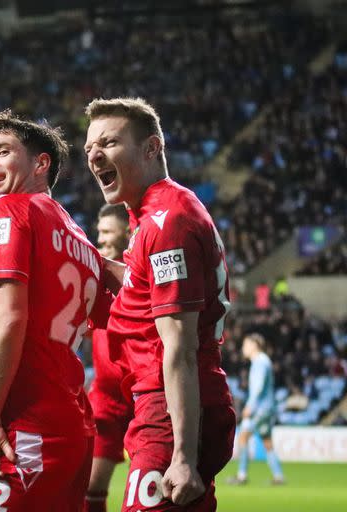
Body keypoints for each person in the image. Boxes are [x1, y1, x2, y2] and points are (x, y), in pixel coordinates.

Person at [84, 97, 235, 511]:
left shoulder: (168, 222)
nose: (95, 155)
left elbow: (180, 347)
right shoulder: (155, 213)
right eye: (89, 148)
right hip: (165, 401)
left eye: (109, 142)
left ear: (151, 148)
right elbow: (137, 282)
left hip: (171, 409)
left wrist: (182, 456)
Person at [0, 110, 108, 511]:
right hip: (74, 424)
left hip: (27, 423)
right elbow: (102, 320)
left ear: (40, 163)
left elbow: (10, 319)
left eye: (2, 152)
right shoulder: (78, 235)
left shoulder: (8, 208)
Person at [85, 204, 132, 512]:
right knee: (90, 486)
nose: (100, 238)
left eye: (107, 231)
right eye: (99, 231)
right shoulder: (94, 272)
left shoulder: (143, 273)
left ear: (128, 232)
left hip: (147, 395)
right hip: (106, 398)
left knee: (151, 488)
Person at [227, 333, 285, 485]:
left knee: (243, 437)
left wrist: (250, 406)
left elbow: (258, 388)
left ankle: (242, 475)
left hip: (259, 409)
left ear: (254, 345)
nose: (243, 348)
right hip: (267, 408)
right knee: (267, 442)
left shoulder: (259, 362)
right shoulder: (264, 361)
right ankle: (278, 476)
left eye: (246, 344)